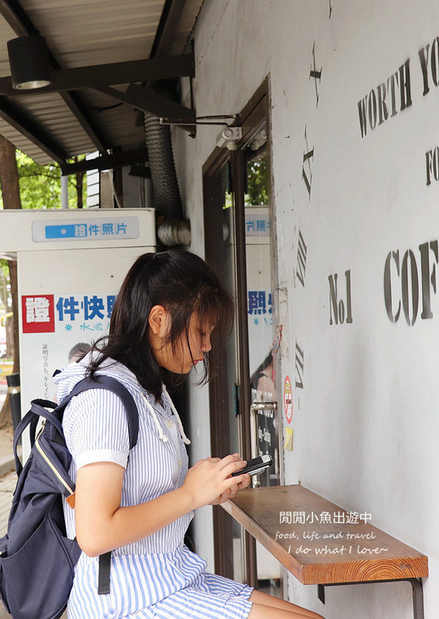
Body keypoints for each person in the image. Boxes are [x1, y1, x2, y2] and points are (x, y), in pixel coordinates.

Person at [53, 250, 322, 619]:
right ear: (159, 319)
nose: (208, 345)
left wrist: (205, 486)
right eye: (200, 331)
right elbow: (96, 534)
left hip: (170, 575)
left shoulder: (146, 389)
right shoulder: (103, 398)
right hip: (126, 598)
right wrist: (190, 493)